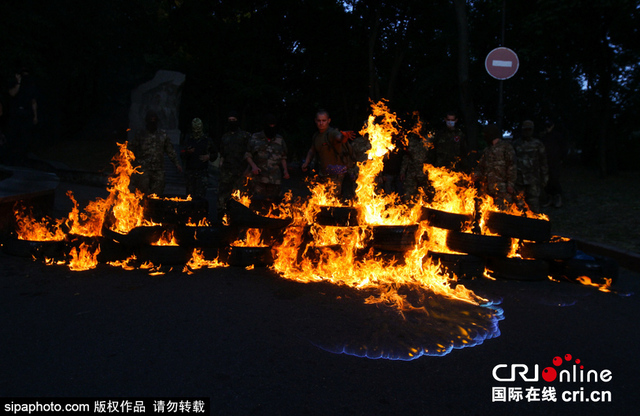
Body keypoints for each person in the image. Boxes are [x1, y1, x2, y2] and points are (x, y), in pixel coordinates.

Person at [301, 110, 355, 199]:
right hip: (323, 174)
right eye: (319, 121)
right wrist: (306, 162)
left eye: (324, 120)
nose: (321, 123)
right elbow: (312, 150)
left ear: (329, 120)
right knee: (321, 199)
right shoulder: (316, 136)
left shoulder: (332, 133)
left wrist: (345, 136)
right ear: (315, 121)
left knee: (332, 200)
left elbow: (340, 138)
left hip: (336, 173)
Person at [129, 111, 183, 196]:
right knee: (142, 191)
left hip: (158, 169)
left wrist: (177, 164)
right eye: (151, 121)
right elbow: (131, 149)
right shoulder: (141, 135)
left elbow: (170, 151)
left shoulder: (162, 135)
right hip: (143, 168)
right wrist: (128, 162)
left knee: (157, 192)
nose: (152, 123)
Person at [244, 114, 289, 206]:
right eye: (269, 126)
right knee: (258, 203)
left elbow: (283, 156)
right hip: (259, 178)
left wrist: (285, 171)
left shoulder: (279, 139)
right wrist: (253, 166)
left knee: (275, 204)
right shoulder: (255, 138)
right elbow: (247, 154)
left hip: (275, 179)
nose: (271, 128)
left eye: (273, 126)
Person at [473, 124, 517, 210]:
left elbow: (512, 166)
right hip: (487, 188)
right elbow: (481, 166)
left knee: (502, 214)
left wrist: (510, 184)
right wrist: (476, 174)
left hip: (502, 189)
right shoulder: (487, 150)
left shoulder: (506, 147)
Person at [218, 111, 252, 210]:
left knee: (240, 195)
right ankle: (222, 213)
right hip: (226, 170)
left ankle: (238, 215)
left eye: (234, 120)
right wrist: (221, 163)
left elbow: (249, 153)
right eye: (230, 120)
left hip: (241, 170)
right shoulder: (225, 137)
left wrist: (248, 169)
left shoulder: (245, 136)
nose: (231, 122)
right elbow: (222, 153)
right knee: (223, 194)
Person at [513, 120, 548, 213]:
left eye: (529, 130)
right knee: (519, 205)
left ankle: (535, 223)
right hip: (519, 180)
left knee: (534, 205)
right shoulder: (516, 144)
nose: (527, 132)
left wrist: (545, 178)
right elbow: (512, 162)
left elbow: (543, 162)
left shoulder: (538, 144)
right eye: (525, 130)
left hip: (533, 179)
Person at [5, 68, 38, 164]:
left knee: (25, 136)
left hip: (26, 114)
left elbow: (33, 101)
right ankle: (12, 157)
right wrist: (18, 82)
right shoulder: (14, 84)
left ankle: (23, 157)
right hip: (15, 113)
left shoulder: (31, 86)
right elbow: (12, 93)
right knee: (14, 135)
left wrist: (35, 115)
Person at [181, 118, 217, 200]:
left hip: (202, 173)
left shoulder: (207, 140)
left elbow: (215, 153)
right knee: (190, 197)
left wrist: (209, 156)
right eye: (195, 127)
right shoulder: (188, 139)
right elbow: (182, 152)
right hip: (190, 172)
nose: (196, 130)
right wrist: (187, 152)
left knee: (200, 198)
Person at [540, 119, 567, 208]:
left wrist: (561, 159)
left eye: (549, 125)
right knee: (546, 181)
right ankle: (550, 199)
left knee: (554, 180)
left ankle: (558, 198)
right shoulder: (544, 137)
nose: (548, 127)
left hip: (555, 162)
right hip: (545, 162)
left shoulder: (557, 136)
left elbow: (563, 148)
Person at [400, 132, 430, 201]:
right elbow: (406, 157)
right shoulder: (410, 140)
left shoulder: (428, 140)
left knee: (425, 195)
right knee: (408, 194)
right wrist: (402, 171)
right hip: (411, 172)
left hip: (424, 173)